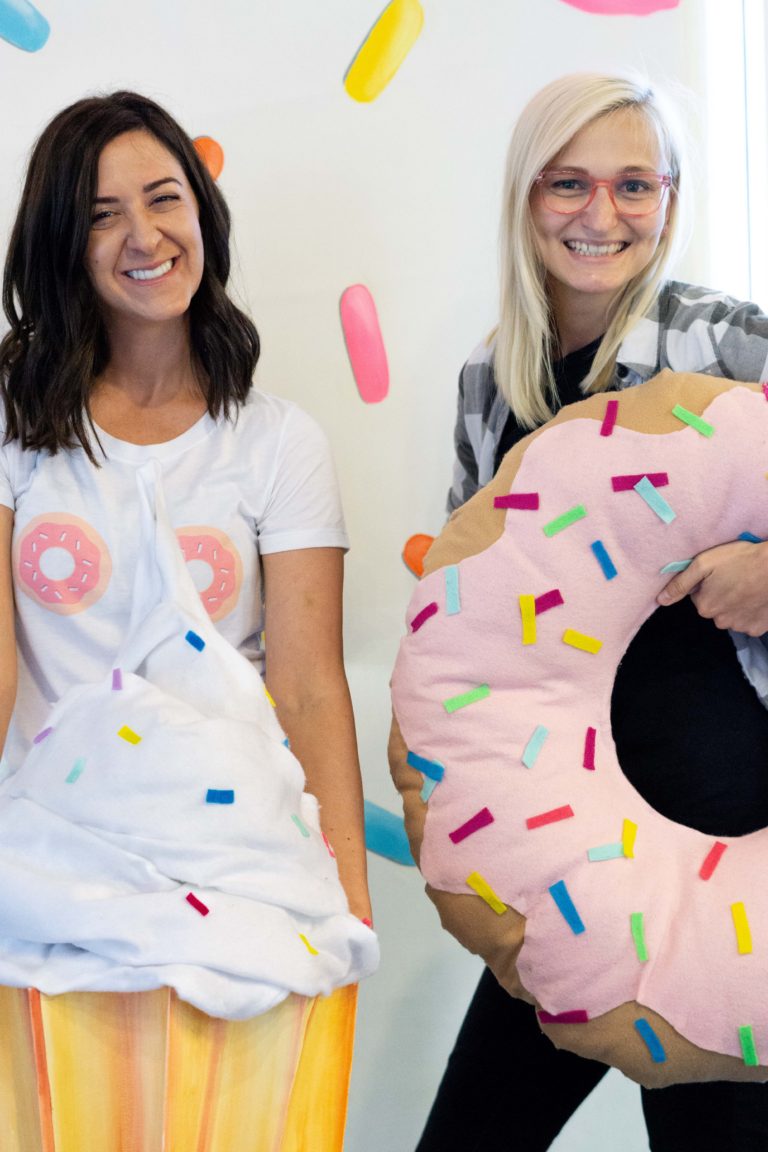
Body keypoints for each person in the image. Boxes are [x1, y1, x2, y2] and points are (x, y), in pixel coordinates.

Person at [418, 72, 768, 1152]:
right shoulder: (494, 379)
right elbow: (468, 618)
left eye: (633, 185)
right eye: (567, 184)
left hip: (727, 844)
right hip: (569, 853)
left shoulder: (730, 344)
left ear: (670, 197)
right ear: (525, 198)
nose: (600, 215)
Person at [0, 91, 372, 931]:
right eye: (103, 215)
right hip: (46, 866)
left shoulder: (282, 442)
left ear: (202, 211)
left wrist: (347, 895)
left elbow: (308, 688)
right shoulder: (11, 421)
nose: (144, 235)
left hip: (234, 873)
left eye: (164, 198)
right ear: (64, 245)